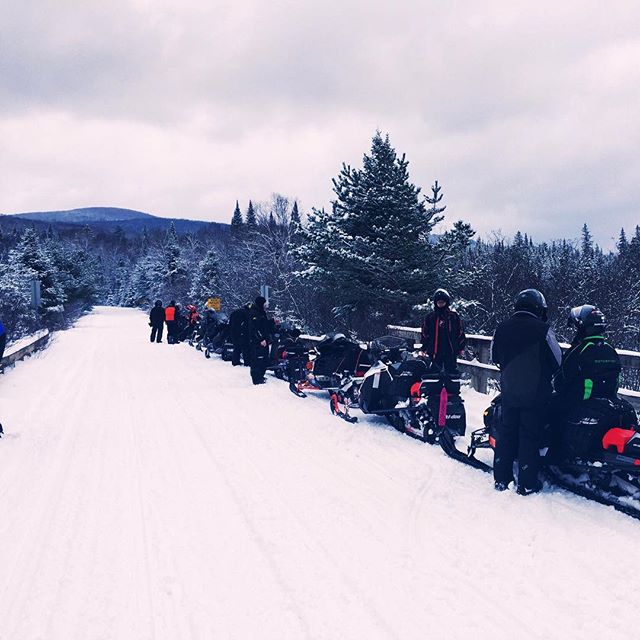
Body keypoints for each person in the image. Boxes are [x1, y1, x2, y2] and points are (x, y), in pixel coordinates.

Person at [490, 289, 562, 495]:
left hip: (509, 391)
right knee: (529, 436)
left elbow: (494, 357)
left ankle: (501, 479)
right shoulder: (544, 330)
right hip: (536, 393)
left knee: (507, 433)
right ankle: (527, 483)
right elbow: (557, 360)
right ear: (538, 308)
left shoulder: (501, 328)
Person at [554, 305, 621, 405]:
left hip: (578, 405)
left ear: (582, 327)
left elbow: (560, 382)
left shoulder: (578, 350)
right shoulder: (610, 350)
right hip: (608, 403)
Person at [420, 289, 466, 372]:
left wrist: (461, 347)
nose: (440, 304)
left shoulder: (453, 317)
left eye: (442, 302)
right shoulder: (430, 317)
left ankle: (450, 384)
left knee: (451, 373)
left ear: (446, 302)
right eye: (439, 302)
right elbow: (424, 333)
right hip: (435, 351)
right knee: (434, 374)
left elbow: (460, 332)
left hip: (450, 350)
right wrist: (424, 348)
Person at [247, 296, 273, 384]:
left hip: (264, 340)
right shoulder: (255, 313)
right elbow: (254, 328)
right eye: (264, 303)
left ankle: (261, 376)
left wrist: (272, 322)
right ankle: (256, 378)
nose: (266, 305)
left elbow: (264, 325)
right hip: (257, 342)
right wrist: (261, 339)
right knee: (257, 359)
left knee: (264, 359)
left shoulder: (261, 313)